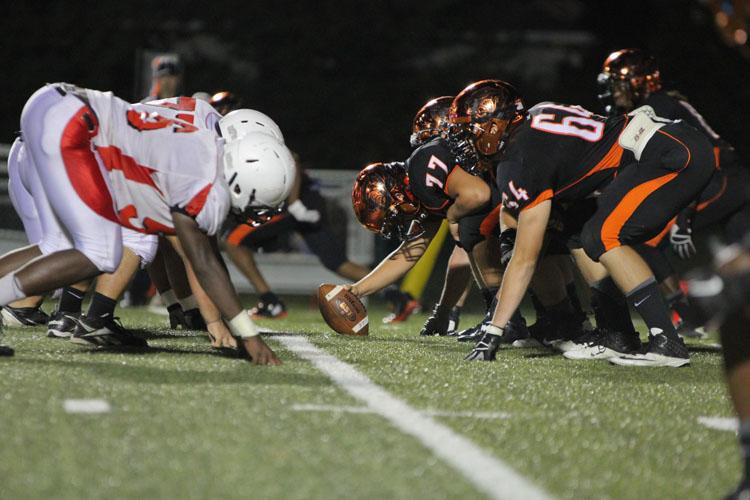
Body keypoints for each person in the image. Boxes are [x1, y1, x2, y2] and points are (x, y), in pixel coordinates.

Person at [0, 83, 292, 364]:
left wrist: (201, 313)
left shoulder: (201, 143)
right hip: (73, 126)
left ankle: (79, 316)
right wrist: (241, 331)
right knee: (107, 249)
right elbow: (202, 260)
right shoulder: (200, 173)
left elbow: (196, 252)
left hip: (58, 109)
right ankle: (88, 319)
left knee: (65, 245)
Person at [450, 80, 715, 366]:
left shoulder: (519, 159)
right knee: (579, 232)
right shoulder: (537, 117)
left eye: (470, 131)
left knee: (603, 236)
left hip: (665, 153)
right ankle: (618, 335)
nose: (466, 142)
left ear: (494, 125)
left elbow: (525, 259)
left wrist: (493, 331)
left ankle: (667, 343)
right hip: (666, 145)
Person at [597, 48, 750, 338]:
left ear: (638, 82)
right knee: (740, 259)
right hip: (728, 179)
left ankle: (686, 313)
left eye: (616, 85)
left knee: (642, 238)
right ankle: (703, 314)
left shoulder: (657, 107)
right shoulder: (659, 104)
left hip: (720, 179)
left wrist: (683, 213)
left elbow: (708, 155)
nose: (612, 93)